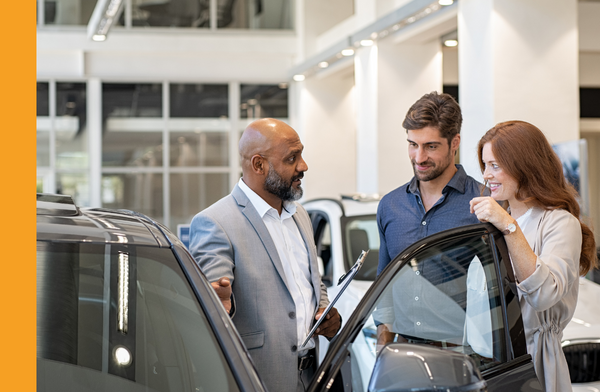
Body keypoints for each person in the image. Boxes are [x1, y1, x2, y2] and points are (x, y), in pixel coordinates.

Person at [189, 118, 342, 392]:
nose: (303, 166)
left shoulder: (300, 215)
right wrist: (220, 302)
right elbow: (214, 303)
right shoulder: (216, 222)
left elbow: (312, 281)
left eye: (301, 154)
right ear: (259, 165)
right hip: (258, 379)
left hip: (311, 375)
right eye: (292, 158)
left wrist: (326, 312)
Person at [469, 120, 597, 392]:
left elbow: (543, 294)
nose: (487, 175)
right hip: (490, 366)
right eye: (484, 166)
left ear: (523, 166)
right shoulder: (494, 225)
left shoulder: (559, 223)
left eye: (495, 166)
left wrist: (508, 225)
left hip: (532, 367)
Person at [376, 91, 486, 346]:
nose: (419, 157)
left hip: (463, 354)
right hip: (403, 351)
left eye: (431, 146)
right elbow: (384, 282)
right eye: (413, 144)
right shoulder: (390, 206)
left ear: (454, 143)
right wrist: (384, 342)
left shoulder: (484, 203)